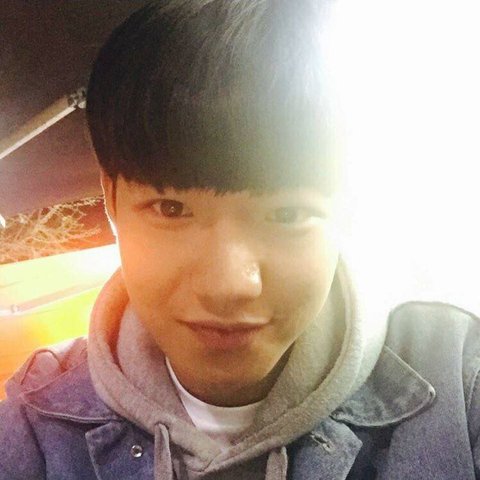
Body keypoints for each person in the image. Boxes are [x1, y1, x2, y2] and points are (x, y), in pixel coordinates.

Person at [1, 1, 480, 479]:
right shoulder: (36, 425)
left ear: (348, 204)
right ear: (111, 200)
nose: (228, 286)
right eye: (171, 209)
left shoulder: (460, 381)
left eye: (287, 214)